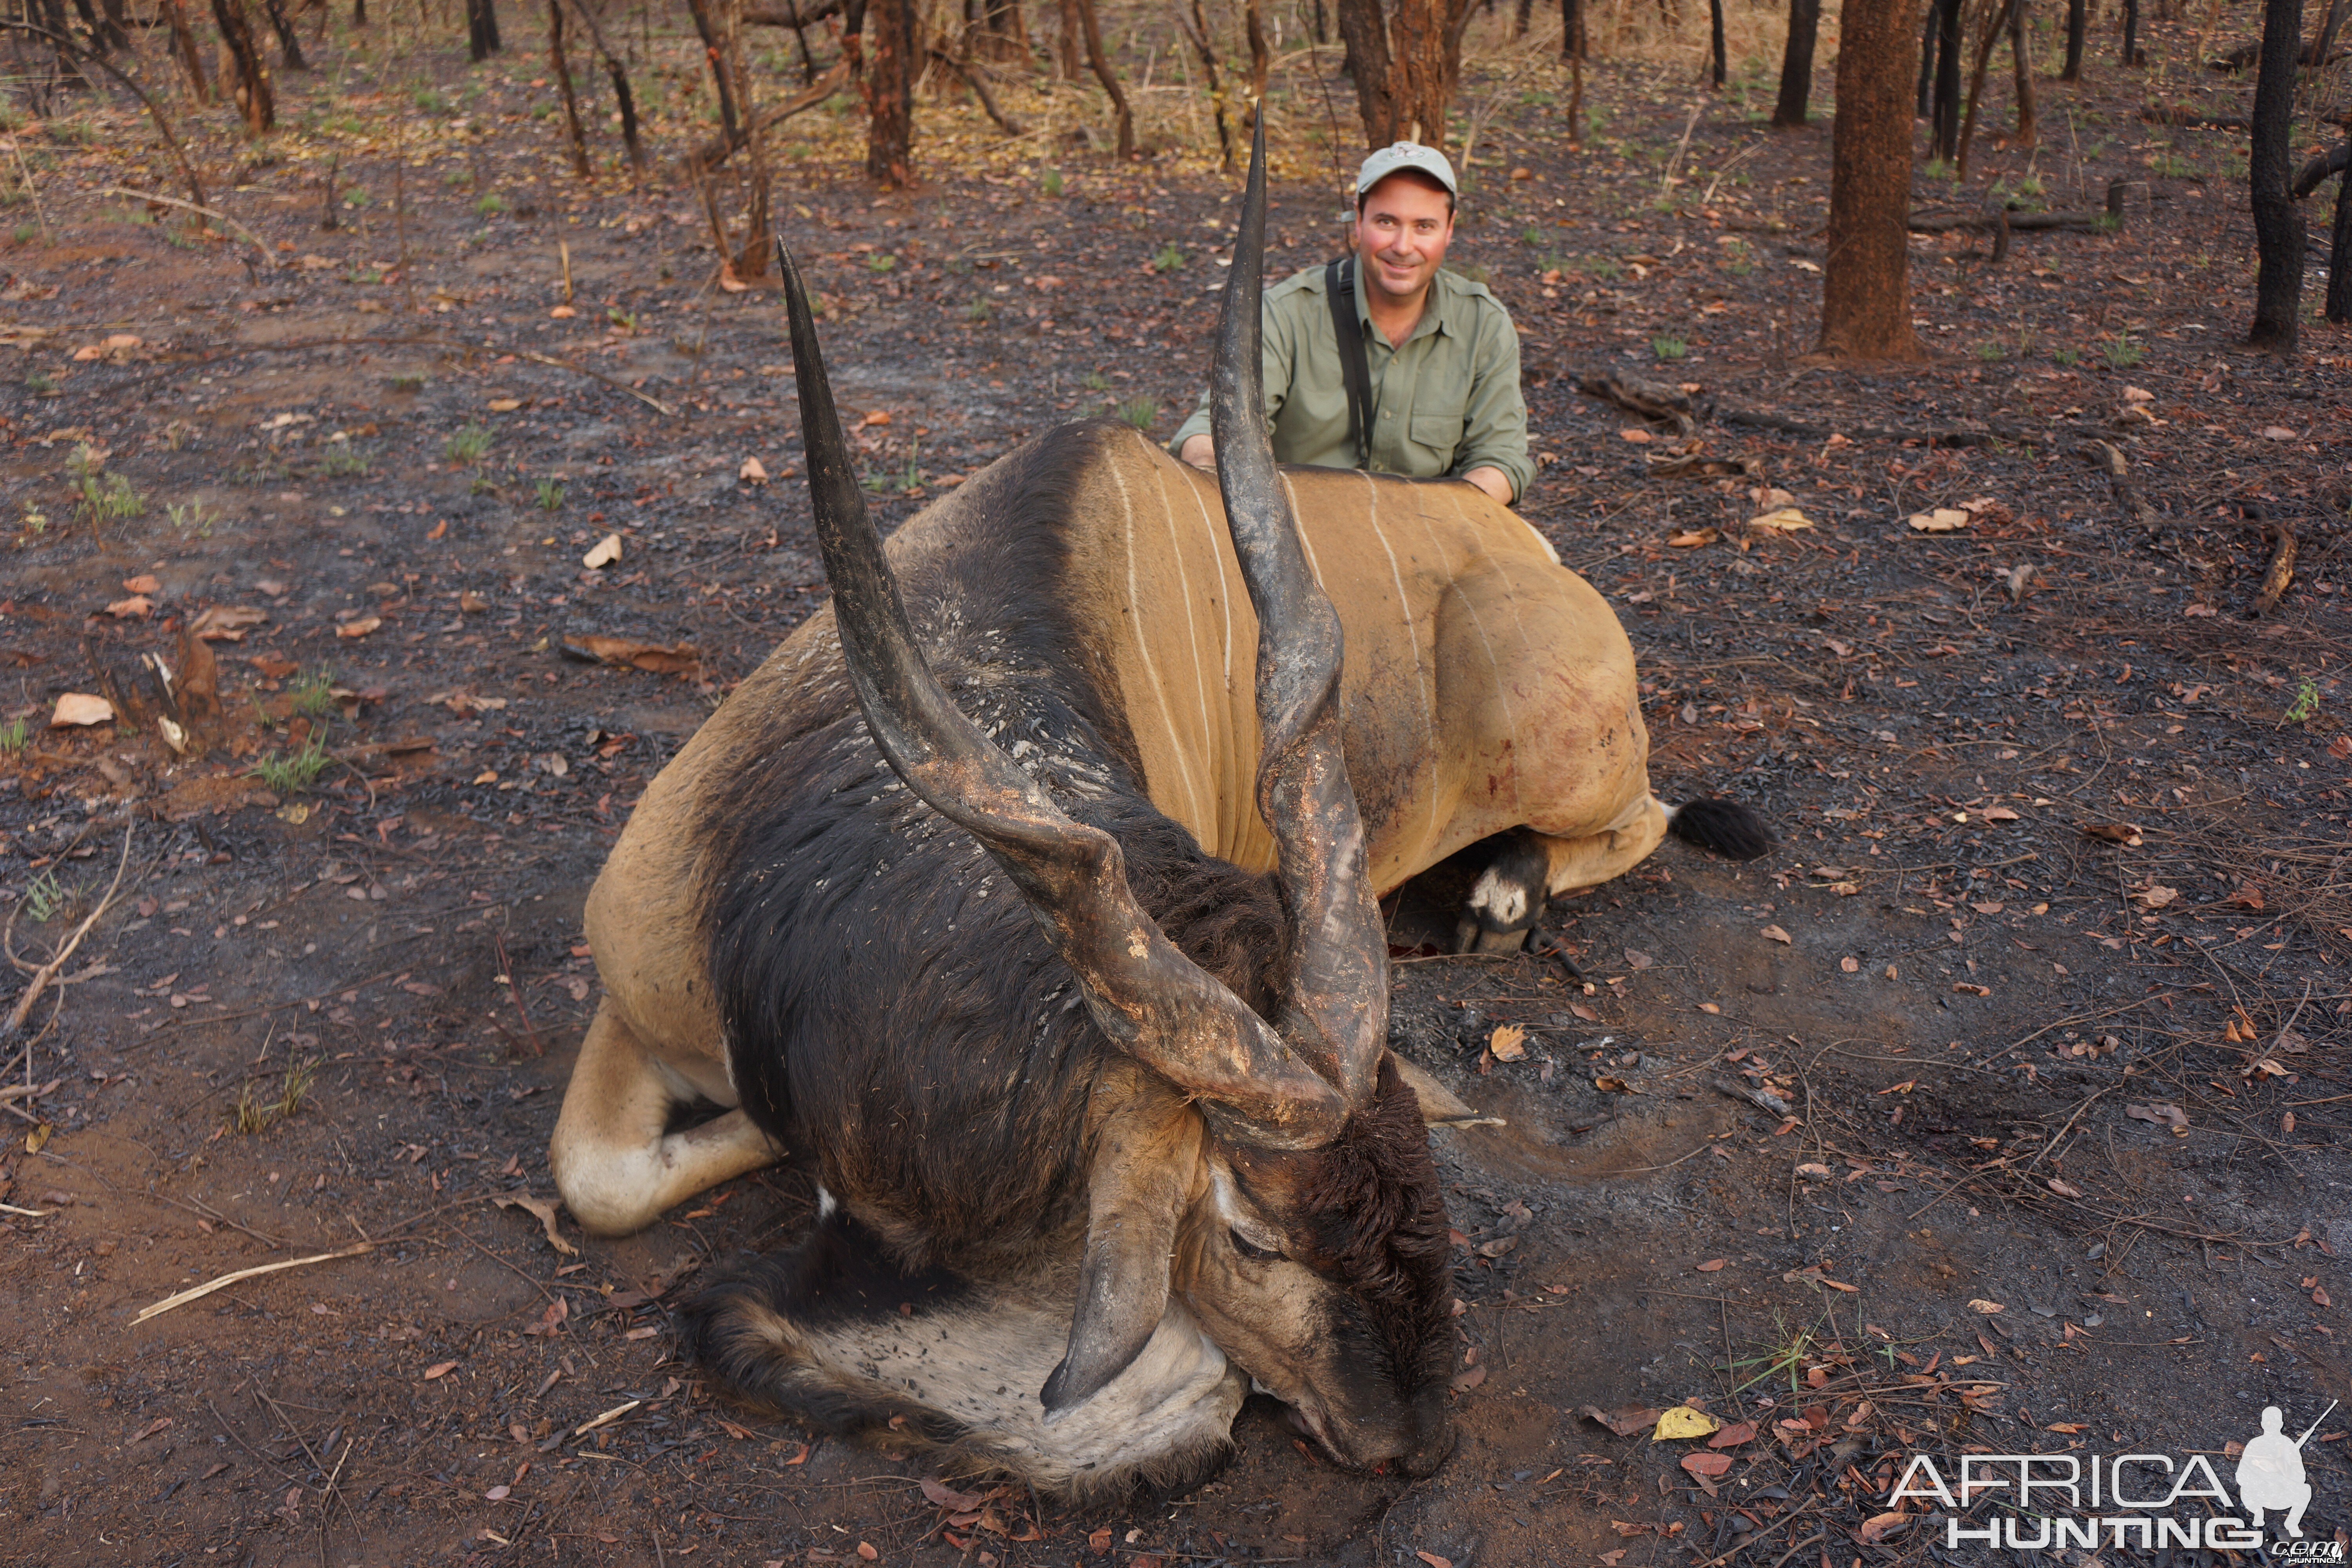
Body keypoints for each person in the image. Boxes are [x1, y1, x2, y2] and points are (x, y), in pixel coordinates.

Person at [1171, 142, 1533, 506]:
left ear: (1450, 229)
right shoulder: (1287, 313)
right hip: (1299, 532)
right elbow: (1211, 433)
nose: (1403, 246)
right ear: (1359, 220)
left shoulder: (1484, 323)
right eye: (1386, 222)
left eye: (1424, 226)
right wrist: (1210, 471)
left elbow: (1501, 460)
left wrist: (1445, 528)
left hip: (1431, 532)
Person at [2235, 1405, 2314, 1536]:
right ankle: (2258, 1513)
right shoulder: (2255, 1444)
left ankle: (2292, 1523)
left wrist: (2282, 1469)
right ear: (2262, 1424)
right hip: (2259, 1493)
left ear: (2281, 1424)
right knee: (2245, 1489)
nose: (2271, 1425)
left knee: (2306, 1490)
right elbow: (2241, 1476)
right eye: (2268, 1422)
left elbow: (2301, 1477)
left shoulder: (2288, 1445)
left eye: (2275, 1421)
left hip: (2282, 1493)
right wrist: (2261, 1476)